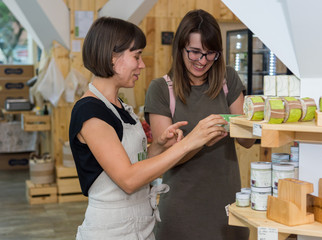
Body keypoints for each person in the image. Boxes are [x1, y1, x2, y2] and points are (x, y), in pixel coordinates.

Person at [69, 16, 229, 240]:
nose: (142, 64)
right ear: (112, 57)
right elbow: (128, 179)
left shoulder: (119, 106)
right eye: (137, 56)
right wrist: (192, 141)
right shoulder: (90, 113)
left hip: (139, 226)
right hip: (111, 231)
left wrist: (159, 147)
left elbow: (133, 162)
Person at [144, 9, 254, 239]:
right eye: (194, 52)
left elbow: (247, 141)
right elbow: (164, 160)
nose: (202, 61)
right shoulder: (161, 90)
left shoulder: (229, 80)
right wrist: (200, 139)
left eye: (210, 53)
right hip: (181, 210)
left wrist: (250, 121)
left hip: (227, 205)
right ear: (180, 47)